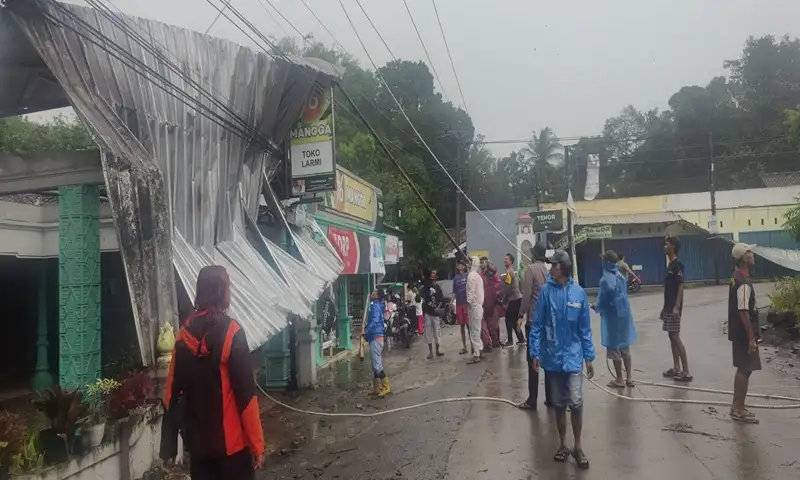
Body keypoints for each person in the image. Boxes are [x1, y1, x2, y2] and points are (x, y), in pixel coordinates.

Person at [160, 265, 265, 480]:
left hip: (199, 451)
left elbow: (171, 394)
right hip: (232, 450)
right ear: (221, 291)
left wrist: (169, 447)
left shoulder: (183, 337)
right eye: (228, 285)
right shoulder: (232, 333)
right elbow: (246, 395)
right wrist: (257, 445)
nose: (230, 290)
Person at [529, 249, 595, 470]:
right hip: (553, 359)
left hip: (574, 358)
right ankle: (562, 444)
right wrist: (535, 353)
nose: (551, 267)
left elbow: (585, 329)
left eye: (555, 264)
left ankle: (577, 446)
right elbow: (537, 325)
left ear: (564, 267)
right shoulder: (546, 293)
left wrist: (589, 356)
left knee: (575, 402)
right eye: (551, 264)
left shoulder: (579, 294)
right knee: (558, 404)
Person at [594, 250, 637, 388]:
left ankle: (619, 379)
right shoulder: (620, 276)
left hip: (613, 317)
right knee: (625, 346)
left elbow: (603, 300)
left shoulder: (605, 279)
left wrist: (596, 307)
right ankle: (629, 378)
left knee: (614, 347)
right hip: (624, 315)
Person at [729, 243, 761, 424]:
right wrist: (751, 338)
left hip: (739, 333)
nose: (752, 254)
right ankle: (739, 409)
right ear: (743, 258)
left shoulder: (736, 278)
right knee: (745, 369)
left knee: (743, 368)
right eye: (749, 252)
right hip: (744, 334)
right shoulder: (743, 282)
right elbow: (743, 311)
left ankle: (736, 406)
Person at [519, 243, 552, 409]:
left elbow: (526, 296)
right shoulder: (547, 270)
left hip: (534, 322)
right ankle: (551, 398)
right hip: (547, 322)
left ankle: (532, 400)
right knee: (546, 360)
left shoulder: (530, 270)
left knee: (533, 359)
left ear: (534, 255)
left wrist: (520, 315)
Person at [661, 236, 692, 382]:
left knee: (675, 336)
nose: (664, 247)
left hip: (674, 307)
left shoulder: (678, 265)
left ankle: (686, 370)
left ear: (673, 246)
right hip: (668, 307)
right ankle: (676, 367)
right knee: (671, 336)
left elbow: (680, 286)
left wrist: (676, 307)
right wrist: (664, 308)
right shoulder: (670, 265)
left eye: (666, 244)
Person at [364, 289, 391, 397]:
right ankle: (376, 388)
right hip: (375, 337)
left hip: (376, 337)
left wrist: (366, 332)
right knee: (374, 365)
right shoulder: (377, 305)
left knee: (377, 365)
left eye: (375, 291)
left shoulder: (375, 306)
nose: (372, 292)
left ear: (377, 295)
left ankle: (386, 387)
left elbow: (374, 322)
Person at [501, 253, 525, 346]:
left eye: (506, 259)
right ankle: (521, 339)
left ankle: (510, 341)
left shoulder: (509, 272)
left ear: (510, 261)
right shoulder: (510, 271)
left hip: (514, 300)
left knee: (508, 321)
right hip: (517, 299)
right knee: (515, 320)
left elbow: (507, 288)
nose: (504, 260)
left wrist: (503, 299)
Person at [422, 268, 445, 360]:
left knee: (437, 332)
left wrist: (438, 308)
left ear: (436, 276)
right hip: (428, 312)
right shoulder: (427, 285)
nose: (432, 274)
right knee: (428, 332)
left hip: (435, 313)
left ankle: (437, 351)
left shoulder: (438, 287)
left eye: (434, 273)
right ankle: (431, 352)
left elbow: (441, 299)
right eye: (431, 273)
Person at [466, 256, 485, 364]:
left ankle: (476, 354)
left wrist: (469, 305)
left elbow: (470, 293)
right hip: (479, 306)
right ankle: (480, 349)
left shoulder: (471, 276)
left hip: (474, 306)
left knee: (474, 331)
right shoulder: (478, 276)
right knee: (477, 329)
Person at [480, 262, 500, 352]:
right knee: (491, 326)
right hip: (488, 303)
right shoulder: (484, 278)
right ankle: (492, 343)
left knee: (491, 326)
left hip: (489, 304)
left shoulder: (487, 279)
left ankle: (491, 343)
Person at [453, 261, 470, 355]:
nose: (459, 266)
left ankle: (473, 345)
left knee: (469, 325)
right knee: (462, 326)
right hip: (459, 304)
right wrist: (451, 301)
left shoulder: (467, 276)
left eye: (461, 265)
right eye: (458, 265)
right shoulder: (455, 278)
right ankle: (464, 347)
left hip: (466, 304)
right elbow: (454, 292)